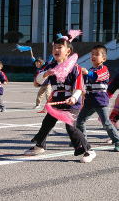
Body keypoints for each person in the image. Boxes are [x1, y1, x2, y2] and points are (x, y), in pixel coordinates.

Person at [24, 32, 95, 163]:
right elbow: (37, 82)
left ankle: (89, 150)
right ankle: (39, 146)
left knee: (71, 127)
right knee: (47, 123)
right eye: (54, 47)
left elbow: (79, 88)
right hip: (56, 100)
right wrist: (46, 73)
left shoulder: (76, 68)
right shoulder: (50, 66)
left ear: (68, 51)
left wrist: (73, 98)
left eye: (59, 47)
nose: (56, 50)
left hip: (71, 102)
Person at [75, 45, 119, 152]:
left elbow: (96, 76)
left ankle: (118, 141)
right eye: (92, 54)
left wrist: (86, 73)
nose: (93, 56)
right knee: (80, 121)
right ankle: (83, 141)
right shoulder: (90, 70)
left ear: (104, 59)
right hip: (89, 101)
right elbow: (82, 81)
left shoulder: (104, 70)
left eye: (97, 54)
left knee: (106, 122)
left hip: (101, 101)